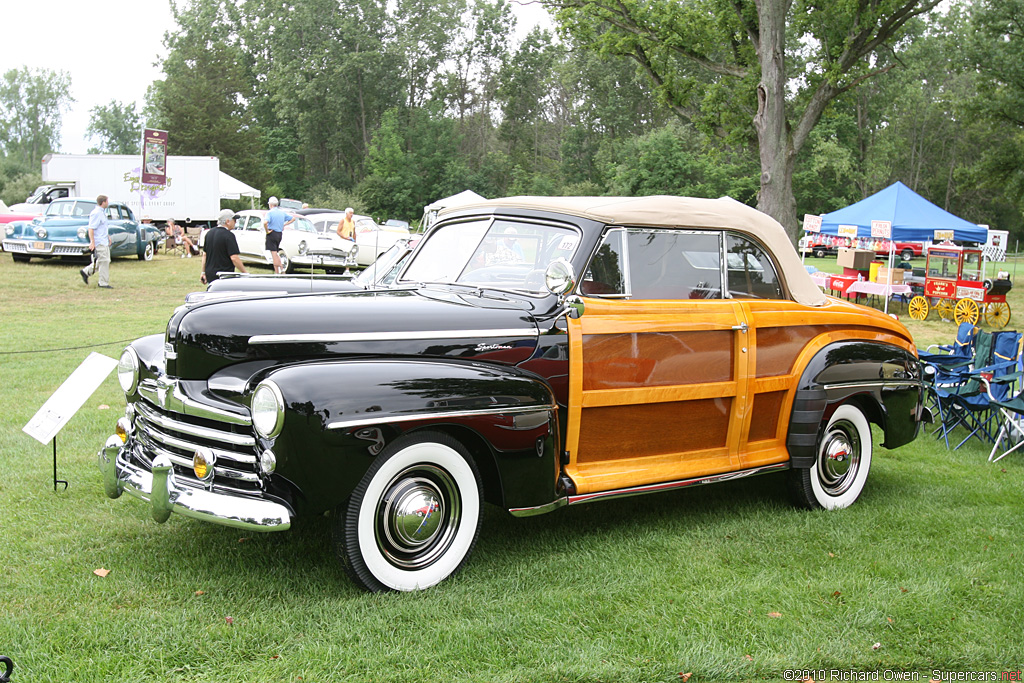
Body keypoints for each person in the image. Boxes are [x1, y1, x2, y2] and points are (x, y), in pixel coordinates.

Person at [201, 209, 247, 284]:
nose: (235, 222)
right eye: (234, 220)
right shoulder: (229, 236)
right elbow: (234, 258)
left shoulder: (209, 233)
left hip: (210, 274)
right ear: (227, 221)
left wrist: (203, 272)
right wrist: (245, 272)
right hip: (224, 275)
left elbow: (204, 255)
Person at [80, 194, 113, 289]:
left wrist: (107, 236)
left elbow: (102, 227)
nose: (108, 203)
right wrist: (92, 242)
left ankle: (86, 272)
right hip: (99, 242)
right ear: (103, 202)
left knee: (104, 260)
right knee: (104, 261)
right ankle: (103, 283)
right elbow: (91, 228)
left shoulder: (102, 212)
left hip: (104, 240)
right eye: (107, 201)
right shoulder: (96, 213)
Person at [262, 196, 295, 274]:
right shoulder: (281, 212)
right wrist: (284, 224)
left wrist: (267, 231)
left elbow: (265, 223)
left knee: (274, 254)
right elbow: (293, 218)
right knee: (275, 252)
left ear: (270, 204)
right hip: (279, 234)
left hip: (272, 233)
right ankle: (278, 271)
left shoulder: (269, 213)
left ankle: (280, 270)